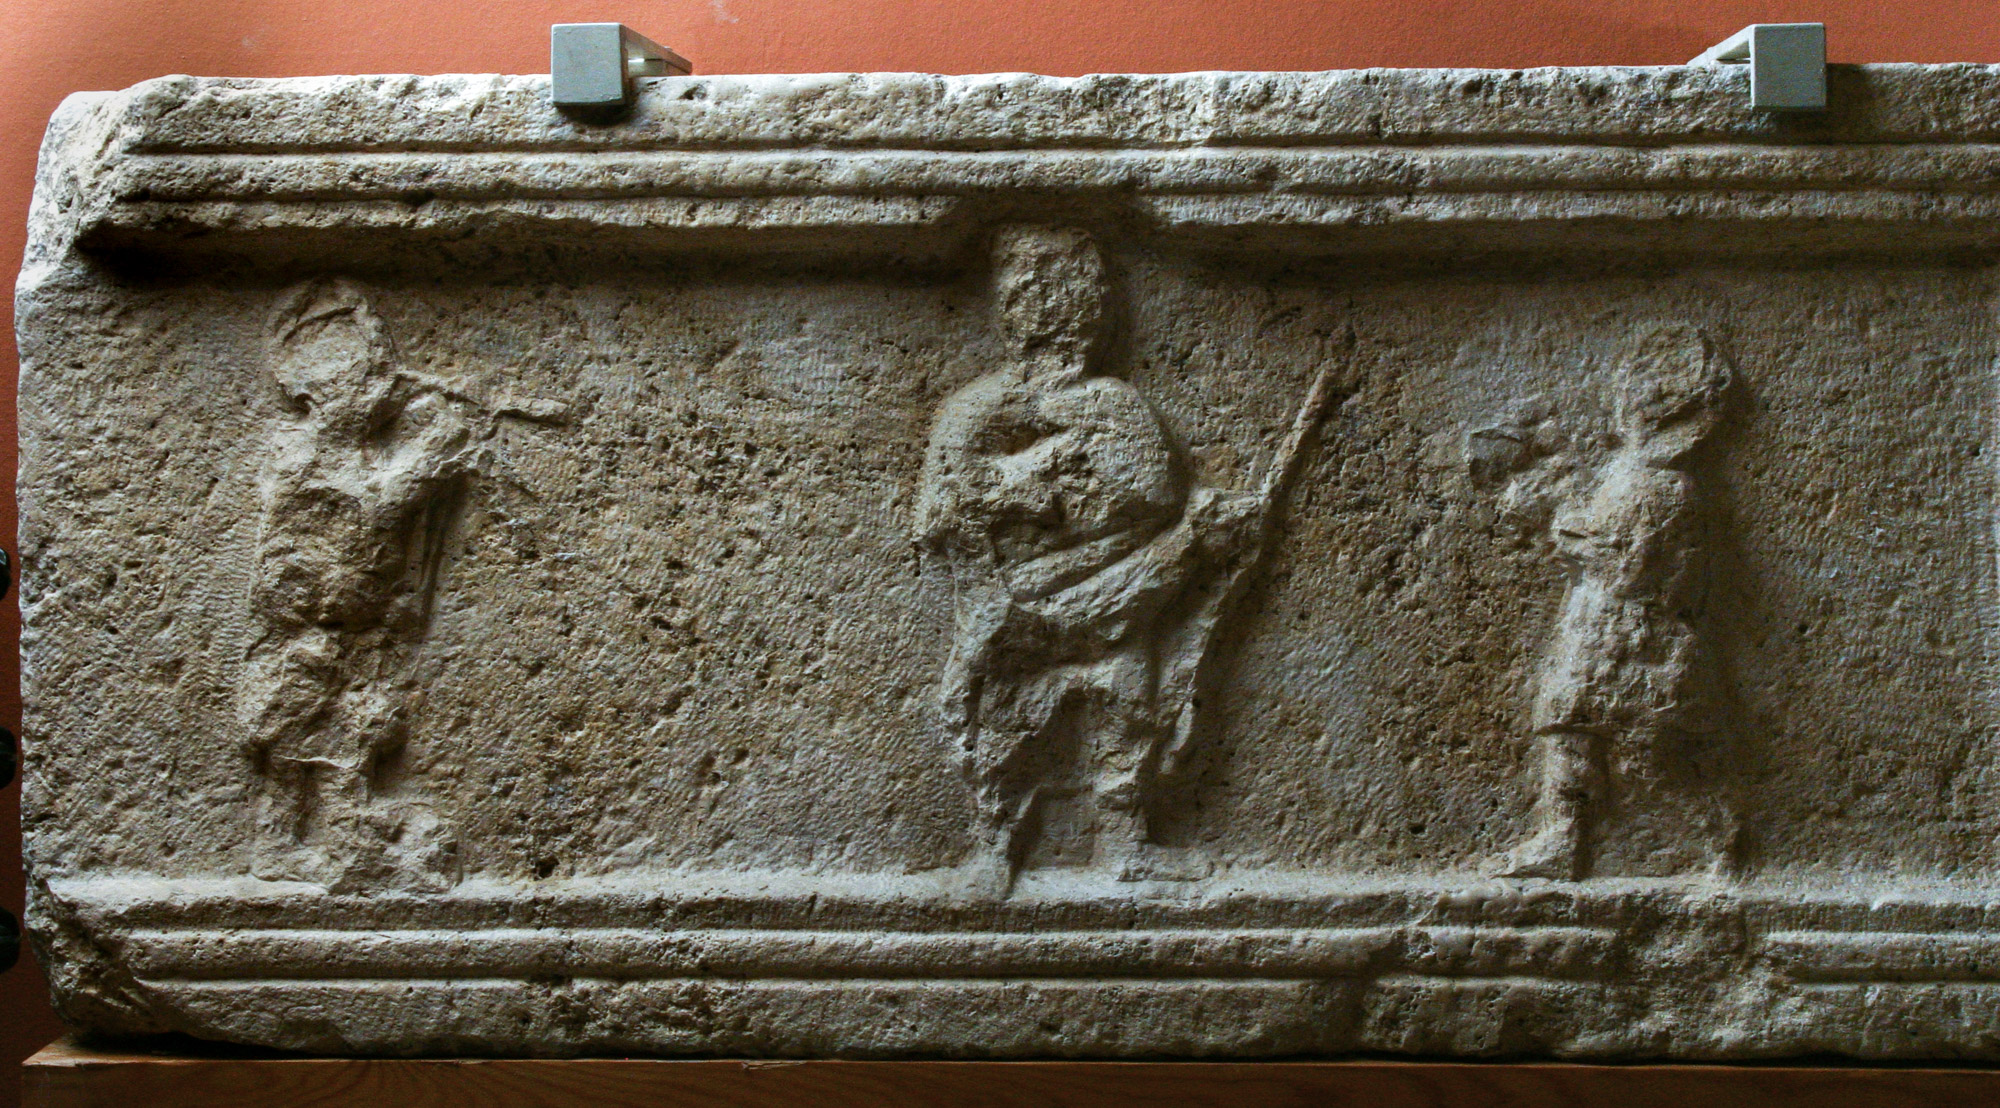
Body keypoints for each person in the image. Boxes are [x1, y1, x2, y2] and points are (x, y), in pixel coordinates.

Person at [916, 227, 1272, 893]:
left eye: (1071, 300)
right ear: (1010, 311)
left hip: (1119, 592)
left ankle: (1124, 842)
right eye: (1032, 296)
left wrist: (1204, 528)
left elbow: (1156, 496)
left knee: (1130, 704)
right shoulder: (976, 411)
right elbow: (940, 516)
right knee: (1004, 722)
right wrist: (1026, 484)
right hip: (1014, 603)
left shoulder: (1117, 406)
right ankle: (995, 848)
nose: (1054, 318)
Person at [240, 278, 469, 891]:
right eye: (364, 381)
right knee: (308, 747)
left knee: (356, 739)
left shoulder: (364, 457)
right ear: (313, 394)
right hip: (308, 646)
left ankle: (341, 838)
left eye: (381, 375)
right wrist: (415, 474)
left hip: (356, 639)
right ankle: (291, 847)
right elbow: (342, 534)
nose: (384, 390)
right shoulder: (299, 459)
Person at [1497, 328, 1733, 880]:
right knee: (1568, 726)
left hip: (1634, 639)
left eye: (1650, 405)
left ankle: (1720, 839)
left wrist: (1566, 527)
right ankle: (1564, 836)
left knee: (1657, 756)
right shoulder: (1631, 475)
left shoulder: (1666, 487)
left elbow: (1628, 567)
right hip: (1600, 631)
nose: (1634, 412)